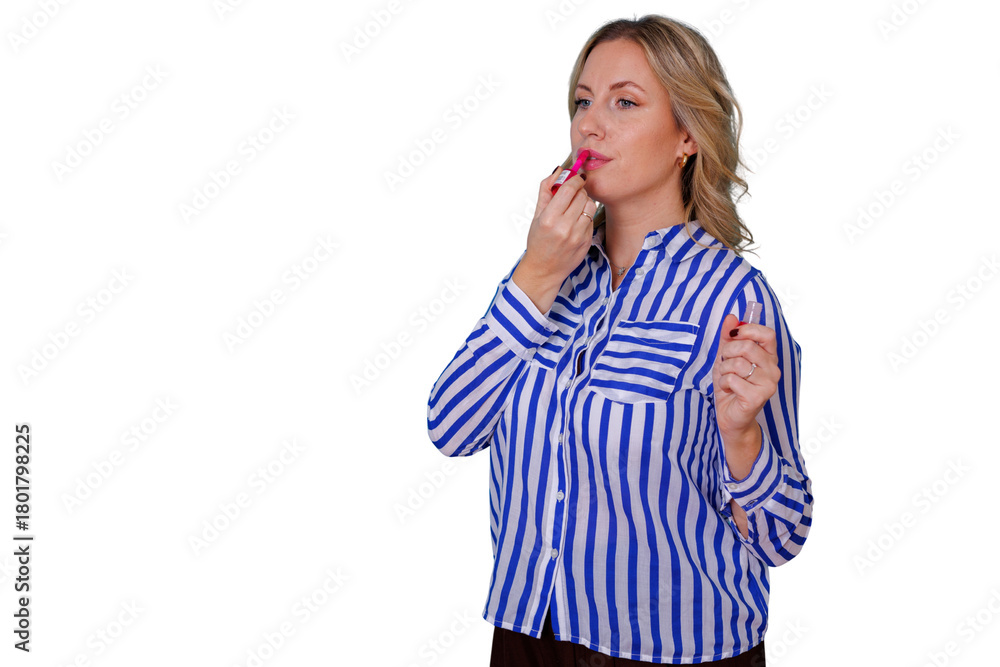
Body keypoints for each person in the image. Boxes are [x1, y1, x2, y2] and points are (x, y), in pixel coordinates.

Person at [426, 14, 812, 666]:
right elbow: (450, 427)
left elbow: (782, 536)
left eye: (624, 102)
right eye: (582, 102)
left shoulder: (733, 299)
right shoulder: (544, 276)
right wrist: (536, 272)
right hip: (526, 636)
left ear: (687, 135)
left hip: (673, 651)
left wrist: (743, 438)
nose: (589, 125)